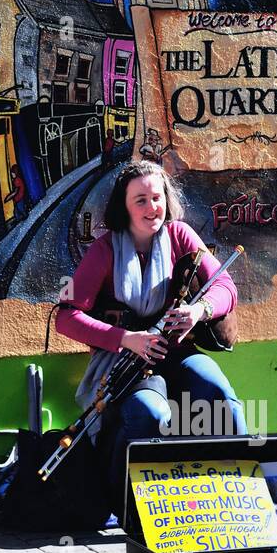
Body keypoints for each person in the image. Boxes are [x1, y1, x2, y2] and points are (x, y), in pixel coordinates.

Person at [54, 159, 244, 513]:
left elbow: (226, 287)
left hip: (177, 350)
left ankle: (240, 499)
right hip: (127, 360)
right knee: (149, 413)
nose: (151, 207)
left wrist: (198, 312)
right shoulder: (105, 250)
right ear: (123, 206)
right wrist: (127, 338)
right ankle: (135, 508)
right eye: (140, 199)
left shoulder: (180, 236)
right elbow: (67, 319)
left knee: (222, 400)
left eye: (156, 197)